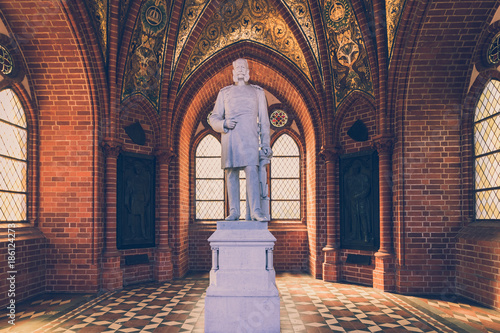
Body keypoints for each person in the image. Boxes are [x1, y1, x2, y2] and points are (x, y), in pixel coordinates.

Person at [209, 58, 272, 221]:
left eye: (244, 67)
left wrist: (265, 143)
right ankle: (234, 211)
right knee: (231, 173)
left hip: (250, 138)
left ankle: (256, 210)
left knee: (252, 171)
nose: (241, 70)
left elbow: (264, 121)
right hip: (230, 138)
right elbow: (213, 117)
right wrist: (224, 123)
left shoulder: (257, 92)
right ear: (233, 72)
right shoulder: (225, 92)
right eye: (238, 68)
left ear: (248, 71)